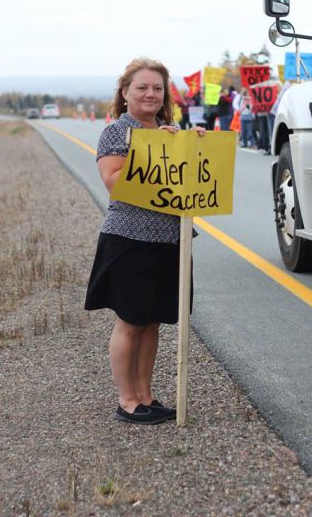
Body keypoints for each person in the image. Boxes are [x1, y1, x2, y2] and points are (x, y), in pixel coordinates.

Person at [85, 58, 205, 425]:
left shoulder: (172, 131)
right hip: (129, 239)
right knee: (130, 321)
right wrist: (154, 149)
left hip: (169, 240)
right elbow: (114, 181)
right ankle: (127, 400)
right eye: (142, 87)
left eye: (157, 88)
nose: (150, 94)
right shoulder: (117, 133)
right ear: (125, 93)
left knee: (152, 321)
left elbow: (190, 180)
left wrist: (196, 147)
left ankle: (146, 396)